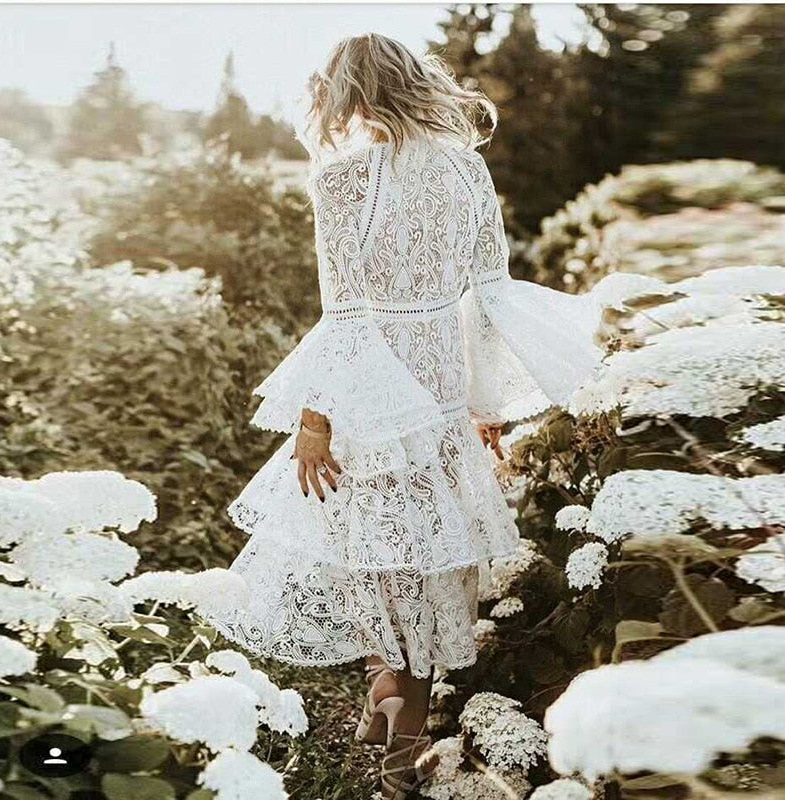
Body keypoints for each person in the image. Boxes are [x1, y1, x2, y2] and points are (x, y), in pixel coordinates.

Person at [208, 33, 604, 799]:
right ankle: (399, 704)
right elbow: (489, 296)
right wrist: (485, 403)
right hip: (441, 381)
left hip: (371, 390)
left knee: (368, 540)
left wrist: (315, 421)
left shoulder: (342, 177)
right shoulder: (467, 167)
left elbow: (346, 315)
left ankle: (392, 704)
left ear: (348, 94)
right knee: (432, 547)